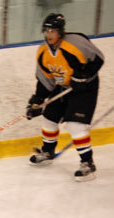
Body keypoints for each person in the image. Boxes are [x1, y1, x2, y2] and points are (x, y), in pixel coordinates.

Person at [26, 13, 104, 182]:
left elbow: (98, 59)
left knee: (75, 125)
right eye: (46, 31)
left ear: (60, 31)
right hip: (63, 87)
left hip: (85, 88)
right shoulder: (42, 52)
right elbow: (45, 80)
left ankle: (88, 164)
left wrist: (83, 76)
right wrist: (37, 101)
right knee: (48, 117)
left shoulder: (75, 43)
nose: (49, 35)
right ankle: (48, 151)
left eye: (53, 31)